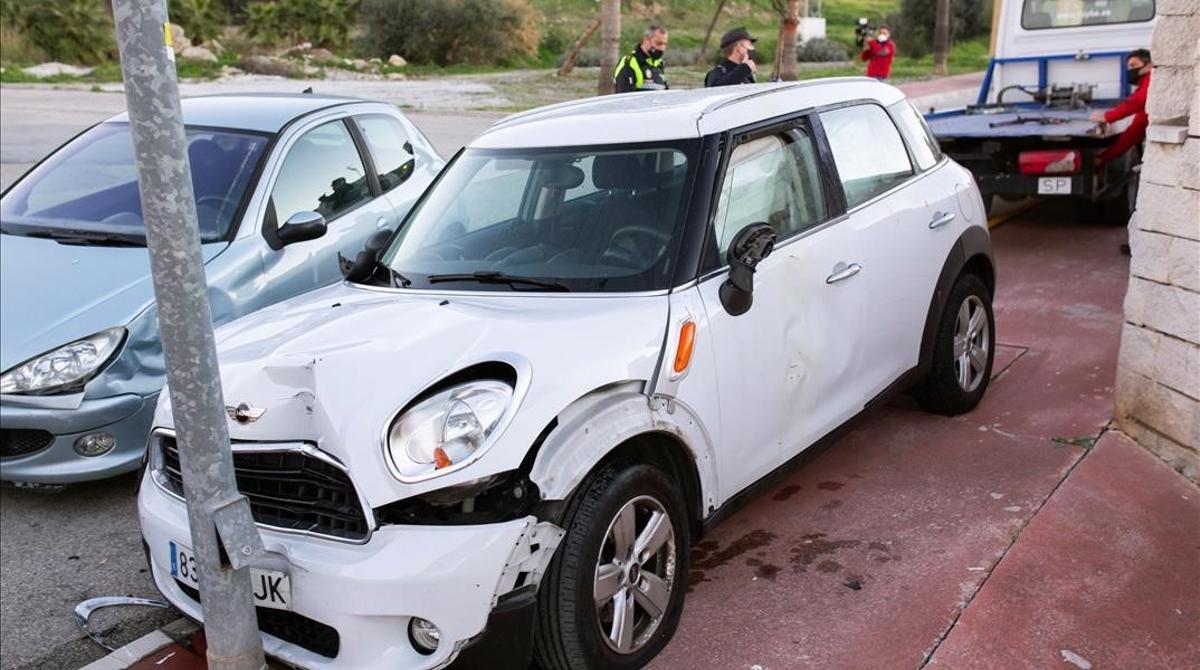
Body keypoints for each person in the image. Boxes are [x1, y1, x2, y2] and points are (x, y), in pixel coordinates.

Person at [1090, 49, 1152, 164]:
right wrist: (1103, 158)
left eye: (1134, 65)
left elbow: (1137, 101)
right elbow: (1134, 132)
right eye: (1128, 66)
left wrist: (1107, 117)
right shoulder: (1144, 88)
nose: (1130, 70)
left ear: (1148, 66)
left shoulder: (1151, 77)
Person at [614, 25, 669, 93]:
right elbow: (623, 97)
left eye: (665, 44)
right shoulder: (629, 62)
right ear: (646, 40)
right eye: (658, 43)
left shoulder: (659, 64)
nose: (662, 48)